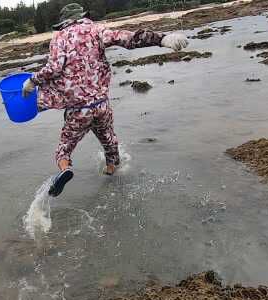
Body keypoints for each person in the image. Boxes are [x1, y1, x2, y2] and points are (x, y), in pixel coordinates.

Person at [22, 3, 188, 197]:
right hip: (101, 106)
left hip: (78, 110)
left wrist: (32, 81)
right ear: (82, 16)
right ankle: (111, 173)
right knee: (109, 142)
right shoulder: (96, 30)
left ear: (64, 21)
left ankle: (65, 169)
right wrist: (162, 39)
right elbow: (126, 38)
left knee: (63, 150)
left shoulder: (59, 38)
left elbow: (54, 68)